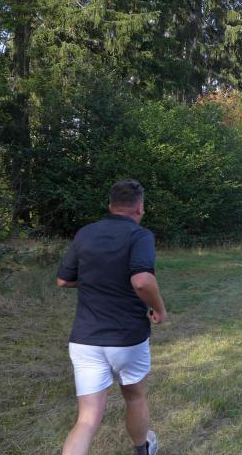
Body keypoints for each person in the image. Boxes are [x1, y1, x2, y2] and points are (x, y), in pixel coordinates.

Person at [57, 179, 167, 455]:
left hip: (85, 339)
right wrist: (159, 309)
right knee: (135, 397)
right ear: (139, 207)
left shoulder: (85, 233)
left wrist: (98, 280)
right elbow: (142, 280)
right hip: (127, 338)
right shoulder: (140, 235)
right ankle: (142, 450)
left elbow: (63, 280)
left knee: (87, 419)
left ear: (110, 205)